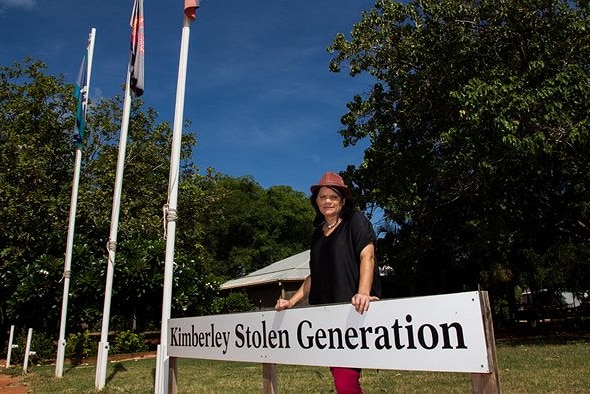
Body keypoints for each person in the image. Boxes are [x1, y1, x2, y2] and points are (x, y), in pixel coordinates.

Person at [275, 171, 381, 394]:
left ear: (342, 201)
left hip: (353, 309)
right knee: (340, 376)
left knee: (345, 379)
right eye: (322, 197)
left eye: (333, 196)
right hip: (326, 315)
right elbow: (315, 275)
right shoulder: (317, 235)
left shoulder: (356, 221)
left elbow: (367, 256)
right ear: (316, 202)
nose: (327, 201)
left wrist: (363, 292)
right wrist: (290, 302)